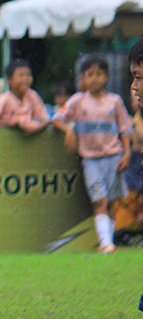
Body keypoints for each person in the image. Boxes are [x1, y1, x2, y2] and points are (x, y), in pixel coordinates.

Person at [52, 54, 131, 254]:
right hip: (91, 159)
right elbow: (57, 118)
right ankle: (105, 243)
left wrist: (127, 153)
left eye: (99, 74)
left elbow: (124, 130)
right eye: (89, 75)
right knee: (99, 201)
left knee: (112, 202)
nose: (94, 79)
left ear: (107, 77)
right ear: (83, 78)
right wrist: (69, 129)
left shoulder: (115, 101)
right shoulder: (78, 101)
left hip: (113, 157)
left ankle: (107, 241)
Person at [0, 59, 49, 133]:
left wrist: (35, 128)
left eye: (28, 75)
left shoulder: (32, 96)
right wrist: (10, 123)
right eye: (21, 75)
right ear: (9, 80)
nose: (25, 79)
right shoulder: (4, 98)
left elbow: (45, 119)